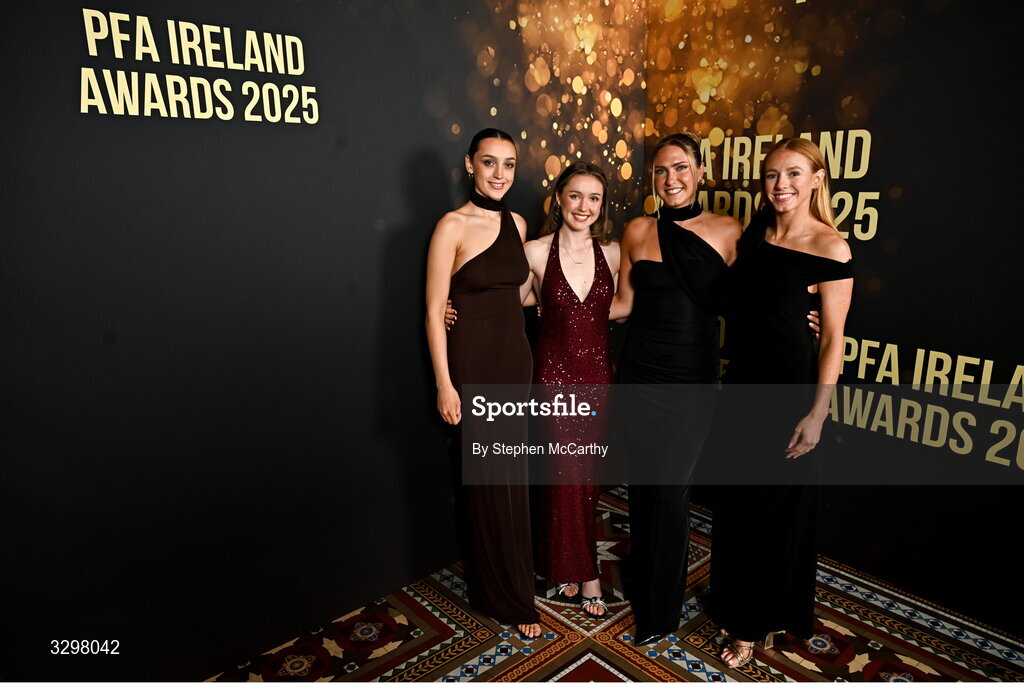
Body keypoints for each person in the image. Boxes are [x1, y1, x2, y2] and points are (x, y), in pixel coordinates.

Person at [709, 137, 854, 668]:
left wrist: (818, 413)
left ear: (817, 178)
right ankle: (735, 602)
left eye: (793, 174)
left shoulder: (831, 247)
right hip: (742, 386)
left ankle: (750, 626)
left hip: (788, 393)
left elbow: (834, 337)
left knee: (772, 511)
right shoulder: (756, 234)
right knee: (737, 506)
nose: (780, 185)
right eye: (771, 175)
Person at [611, 132, 740, 647]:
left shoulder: (729, 231)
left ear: (701, 172)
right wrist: (539, 309)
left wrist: (812, 317)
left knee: (669, 493)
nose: (672, 179)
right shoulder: (637, 231)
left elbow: (758, 298)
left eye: (682, 167)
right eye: (662, 171)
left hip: (692, 380)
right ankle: (645, 584)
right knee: (643, 488)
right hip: (639, 374)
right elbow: (621, 304)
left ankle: (660, 613)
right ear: (653, 178)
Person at [424, 128, 541, 639]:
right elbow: (432, 310)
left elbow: (517, 297)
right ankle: (510, 597)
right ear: (470, 164)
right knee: (491, 480)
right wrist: (445, 384)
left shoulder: (517, 221)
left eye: (509, 165)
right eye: (489, 163)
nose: (500, 174)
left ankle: (507, 585)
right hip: (472, 364)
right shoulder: (451, 225)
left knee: (511, 477)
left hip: (515, 360)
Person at [524, 163, 620, 618]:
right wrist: (449, 307)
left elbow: (632, 304)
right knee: (564, 476)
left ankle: (561, 564)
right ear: (558, 198)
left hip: (599, 375)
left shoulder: (615, 254)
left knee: (588, 480)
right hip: (554, 377)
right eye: (576, 195)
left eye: (594, 198)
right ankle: (588, 574)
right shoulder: (535, 252)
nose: (585, 206)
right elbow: (506, 301)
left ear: (602, 205)